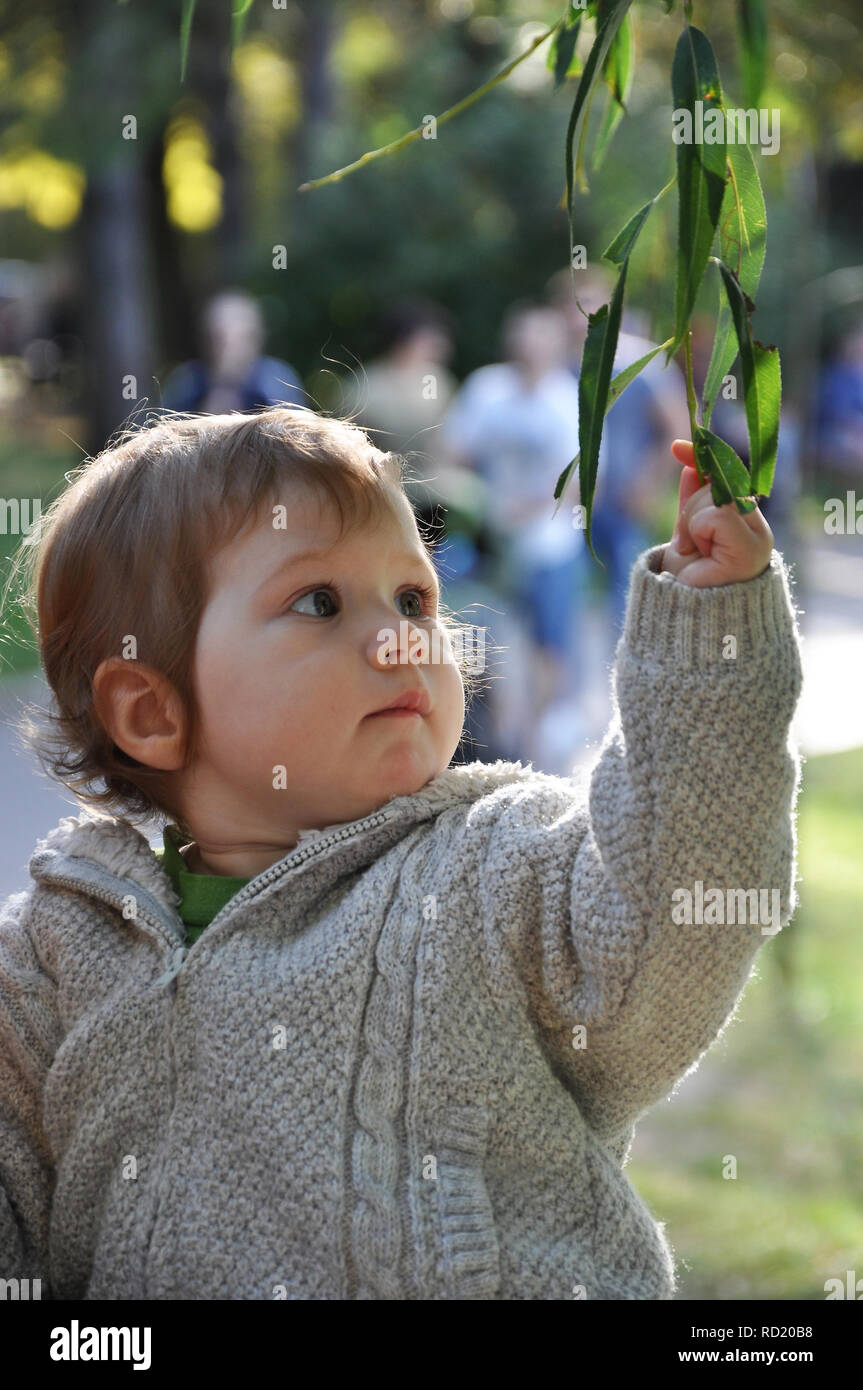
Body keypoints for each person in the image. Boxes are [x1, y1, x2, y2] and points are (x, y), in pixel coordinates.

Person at [0, 406, 802, 1299]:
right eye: (319, 602)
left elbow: (674, 914)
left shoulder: (493, 865)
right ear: (152, 712)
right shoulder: (51, 964)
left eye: (414, 598)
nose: (401, 636)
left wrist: (707, 642)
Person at [439, 301, 588, 767]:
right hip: (491, 545)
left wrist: (520, 510)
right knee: (483, 635)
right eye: (524, 337)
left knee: (549, 646)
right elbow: (453, 451)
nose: (532, 347)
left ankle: (534, 744)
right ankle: (496, 737)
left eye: (541, 338)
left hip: (550, 544)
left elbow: (578, 479)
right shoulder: (487, 389)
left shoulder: (568, 398)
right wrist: (473, 502)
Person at [547, 266, 690, 628]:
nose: (581, 315)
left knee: (628, 599)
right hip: (569, 502)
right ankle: (569, 680)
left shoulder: (641, 361)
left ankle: (627, 677)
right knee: (565, 600)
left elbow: (676, 428)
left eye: (591, 304)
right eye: (573, 305)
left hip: (624, 498)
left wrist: (647, 482)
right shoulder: (554, 366)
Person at [159, 289, 307, 414]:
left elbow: (292, 438)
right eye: (218, 337)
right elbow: (168, 437)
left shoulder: (277, 380)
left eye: (237, 337)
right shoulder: (186, 382)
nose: (226, 347)